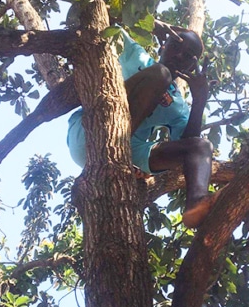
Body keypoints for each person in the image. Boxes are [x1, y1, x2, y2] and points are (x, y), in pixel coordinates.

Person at [67, 22, 218, 228]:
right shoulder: (135, 54)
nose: (179, 56)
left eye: (189, 55)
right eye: (176, 45)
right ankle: (116, 145)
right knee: (161, 74)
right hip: (89, 128)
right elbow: (94, 21)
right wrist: (151, 23)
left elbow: (186, 148)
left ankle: (197, 204)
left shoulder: (178, 106)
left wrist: (199, 101)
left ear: (192, 66)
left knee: (202, 146)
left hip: (125, 150)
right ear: (163, 45)